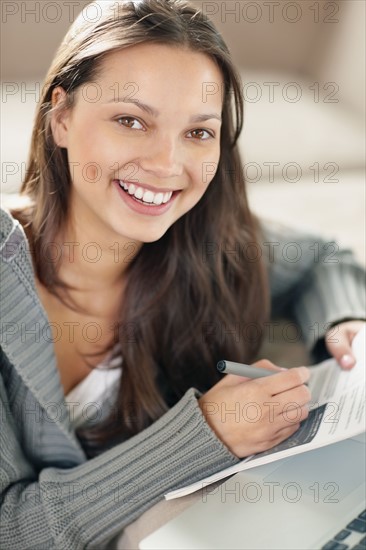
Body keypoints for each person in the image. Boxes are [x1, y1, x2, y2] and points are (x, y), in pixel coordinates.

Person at [1, 0, 365, 548]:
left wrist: (346, 324)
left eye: (198, 133)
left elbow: (322, 258)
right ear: (61, 118)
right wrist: (205, 432)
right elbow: (11, 528)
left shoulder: (204, 239)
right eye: (130, 120)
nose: (168, 165)